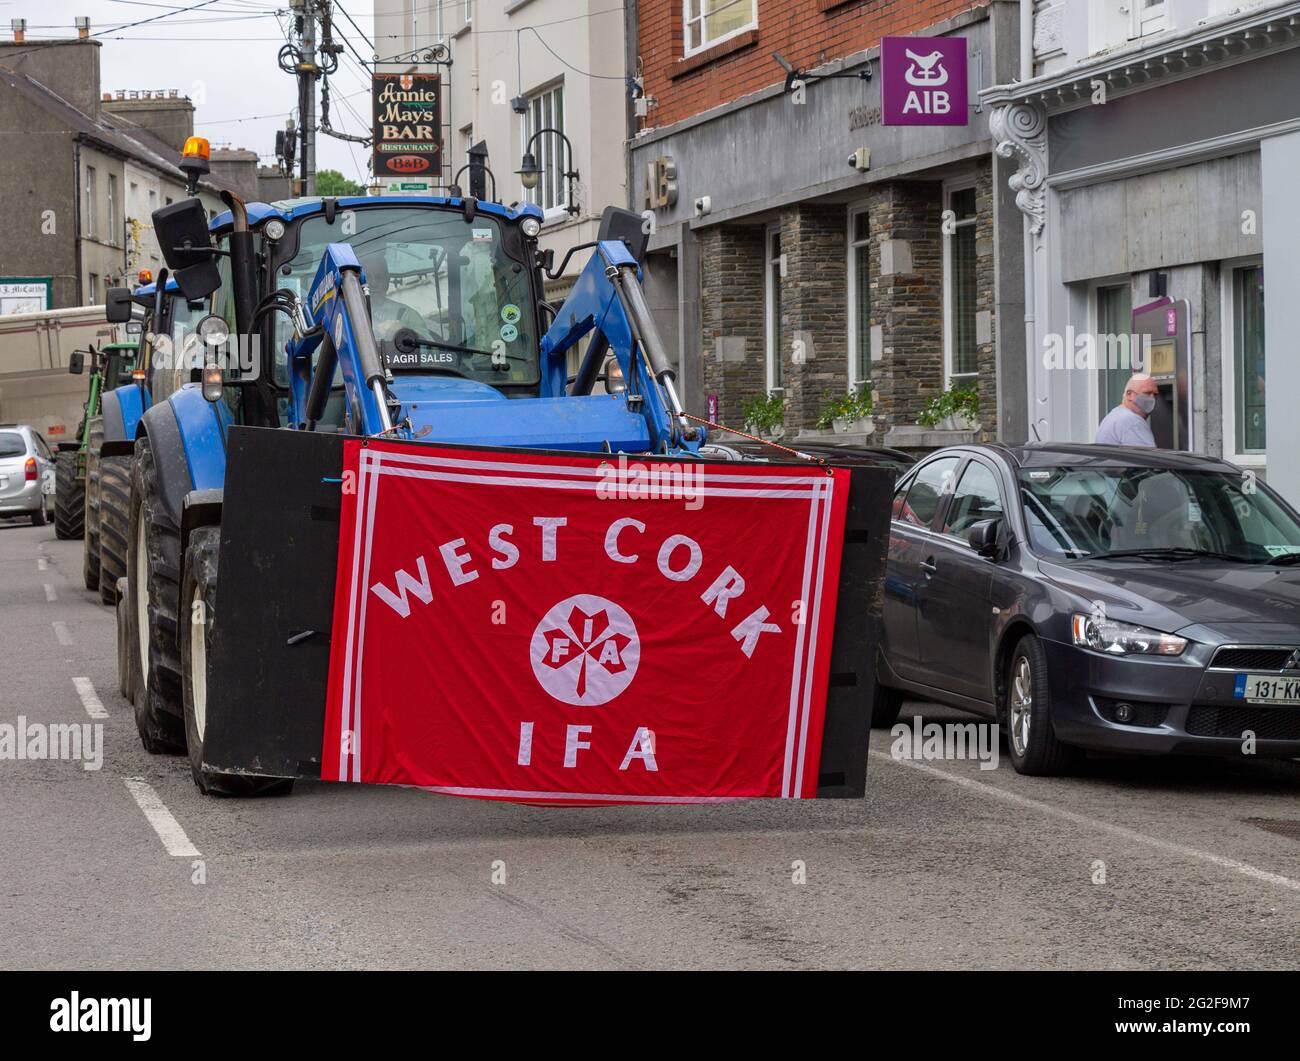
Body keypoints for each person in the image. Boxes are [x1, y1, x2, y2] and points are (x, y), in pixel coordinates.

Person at [1096, 372, 1159, 447]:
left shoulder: (1116, 415)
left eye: (1155, 394)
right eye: (1147, 393)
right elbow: (1150, 457)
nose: (1152, 398)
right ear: (1129, 395)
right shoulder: (1132, 421)